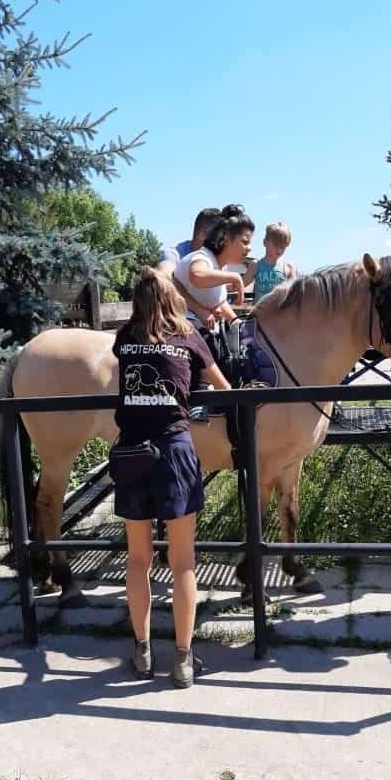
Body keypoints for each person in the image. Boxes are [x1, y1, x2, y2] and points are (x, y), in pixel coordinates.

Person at [112, 267, 231, 687]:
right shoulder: (189, 337)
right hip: (175, 449)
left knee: (138, 558)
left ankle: (142, 651)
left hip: (131, 452)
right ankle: (183, 658)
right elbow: (222, 386)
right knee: (182, 561)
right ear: (172, 299)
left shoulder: (124, 338)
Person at [173, 206, 255, 330]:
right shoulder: (203, 258)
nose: (249, 248)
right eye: (245, 242)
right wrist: (235, 277)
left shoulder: (220, 267)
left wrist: (236, 322)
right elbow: (197, 275)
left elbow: (219, 302)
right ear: (227, 240)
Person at [247, 221, 297, 303]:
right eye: (276, 245)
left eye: (283, 246)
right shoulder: (256, 265)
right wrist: (221, 283)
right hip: (261, 313)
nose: (279, 249)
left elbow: (296, 292)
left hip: (280, 313)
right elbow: (241, 284)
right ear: (265, 242)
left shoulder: (288, 267)